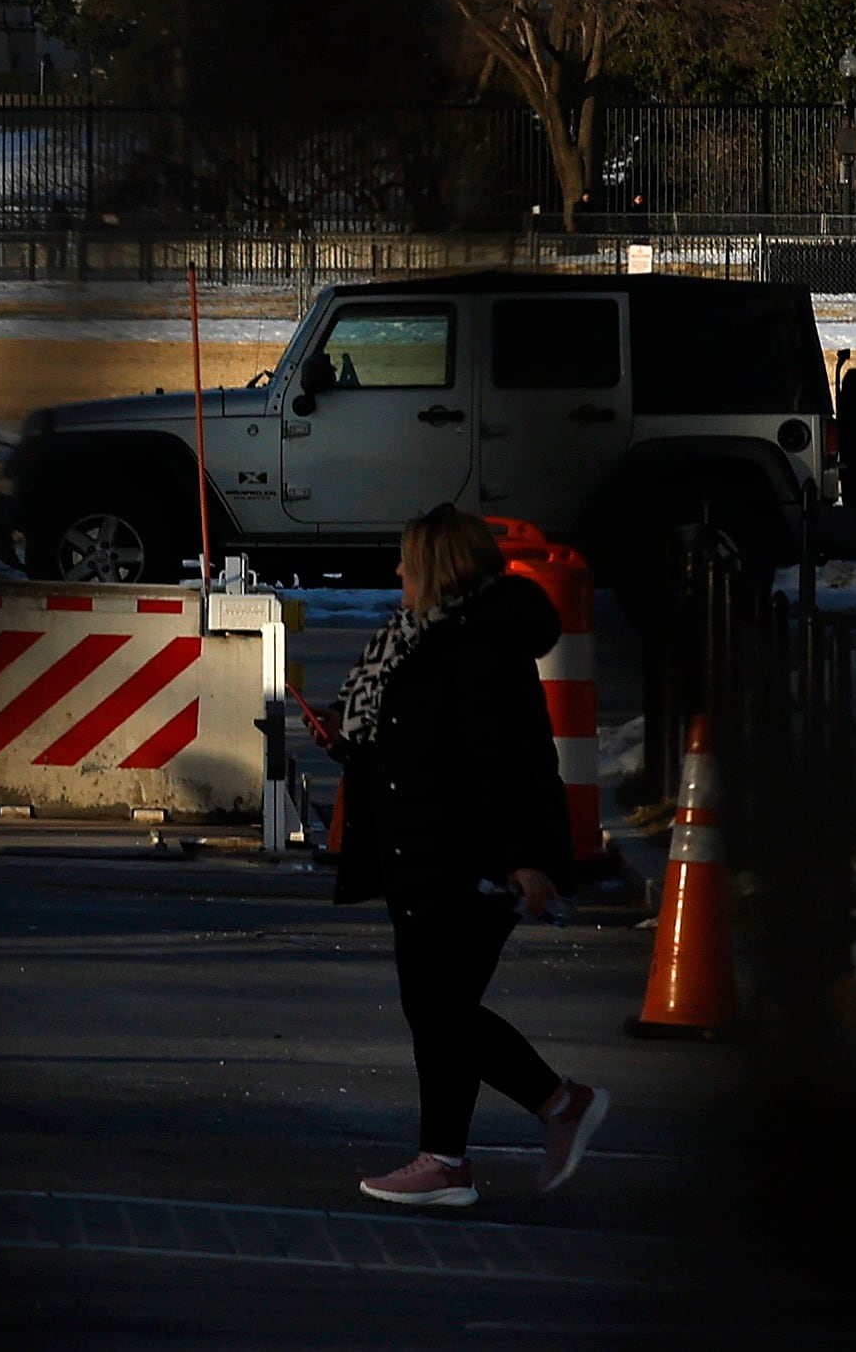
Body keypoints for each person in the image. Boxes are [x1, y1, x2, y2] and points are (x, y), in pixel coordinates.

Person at [329, 503, 607, 1210]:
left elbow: (504, 758)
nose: (395, 572)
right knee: (439, 1006)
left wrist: (523, 861)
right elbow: (411, 736)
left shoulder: (477, 642)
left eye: (406, 560)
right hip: (426, 849)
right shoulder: (425, 637)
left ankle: (480, 1143)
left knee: (439, 1005)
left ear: (435, 567)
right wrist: (348, 740)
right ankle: (502, 1131)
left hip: (464, 855)